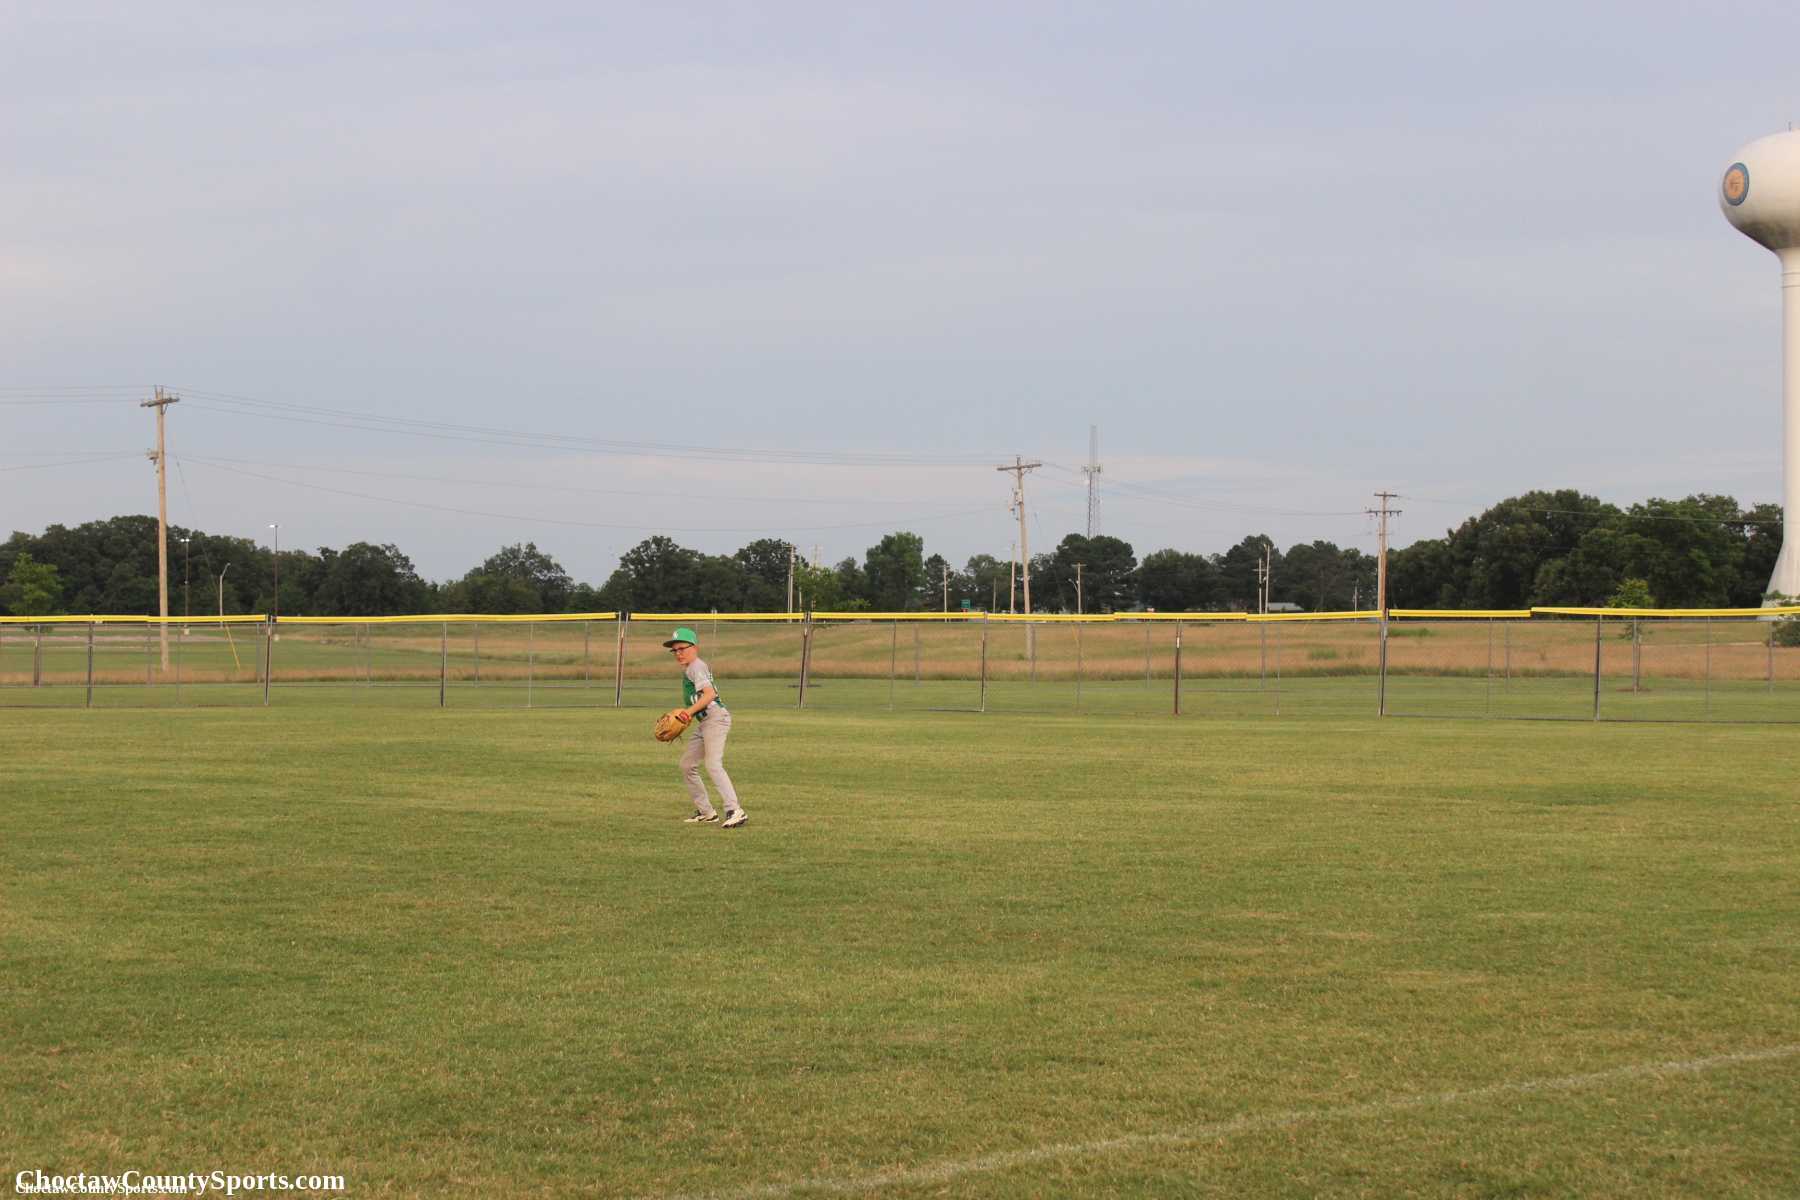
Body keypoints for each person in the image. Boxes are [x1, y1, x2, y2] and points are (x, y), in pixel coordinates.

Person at [663, 626, 748, 828]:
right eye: (674, 650)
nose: (678, 653)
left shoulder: (696, 666)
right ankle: (707, 812)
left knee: (713, 764)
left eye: (682, 648)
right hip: (705, 722)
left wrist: (687, 712)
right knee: (687, 765)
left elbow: (710, 695)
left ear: (694, 648)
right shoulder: (690, 668)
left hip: (716, 719)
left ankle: (735, 810)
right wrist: (689, 715)